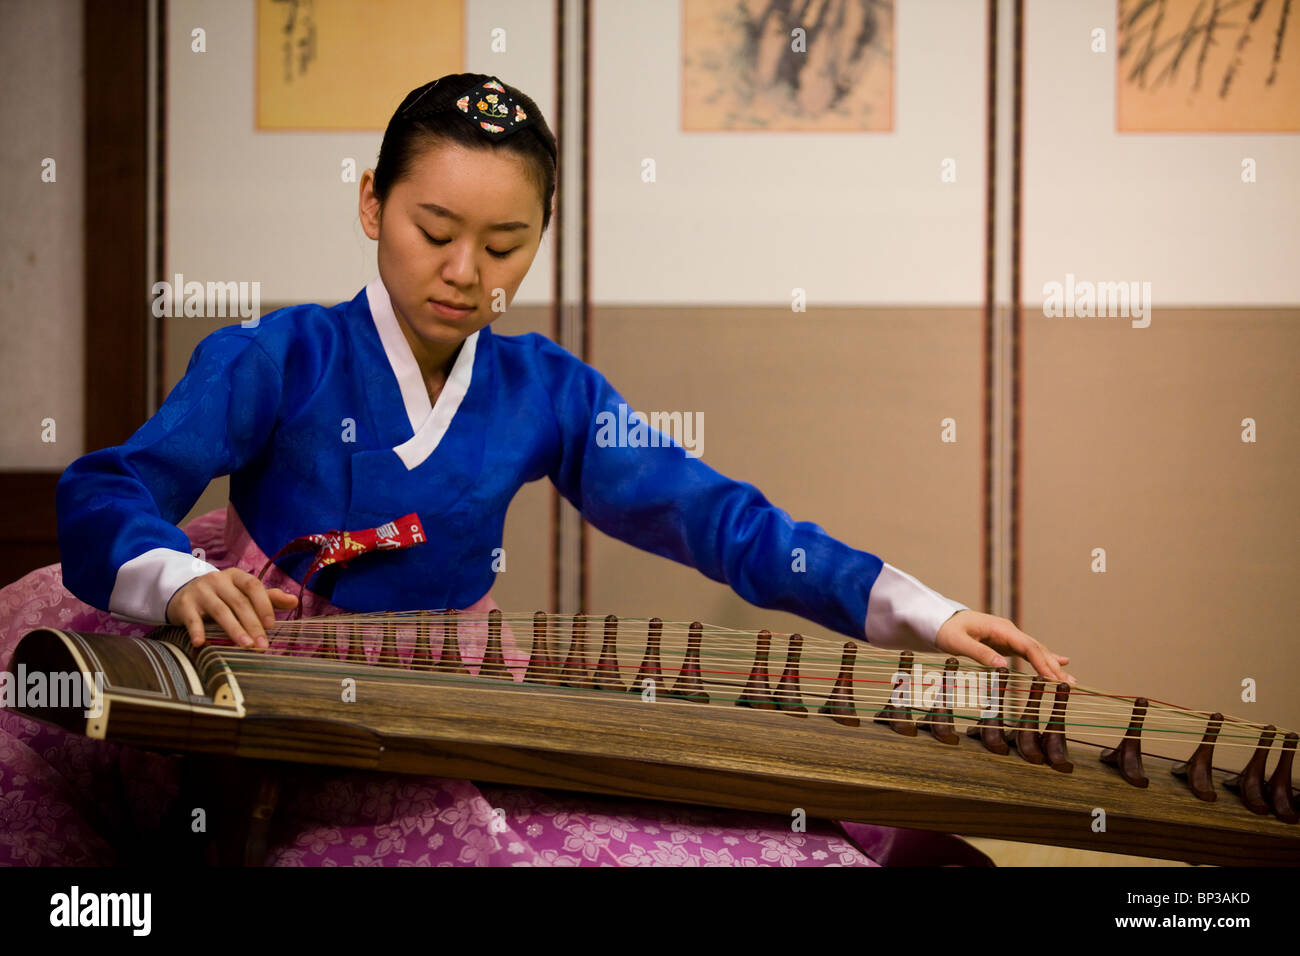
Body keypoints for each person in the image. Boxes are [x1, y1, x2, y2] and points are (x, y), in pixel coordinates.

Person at [1, 74, 1069, 867]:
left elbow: (713, 517)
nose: (466, 272)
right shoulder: (278, 357)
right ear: (372, 203)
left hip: (453, 693)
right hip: (271, 685)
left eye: (506, 243)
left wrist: (919, 610)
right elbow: (110, 486)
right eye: (435, 229)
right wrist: (174, 575)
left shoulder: (542, 388)